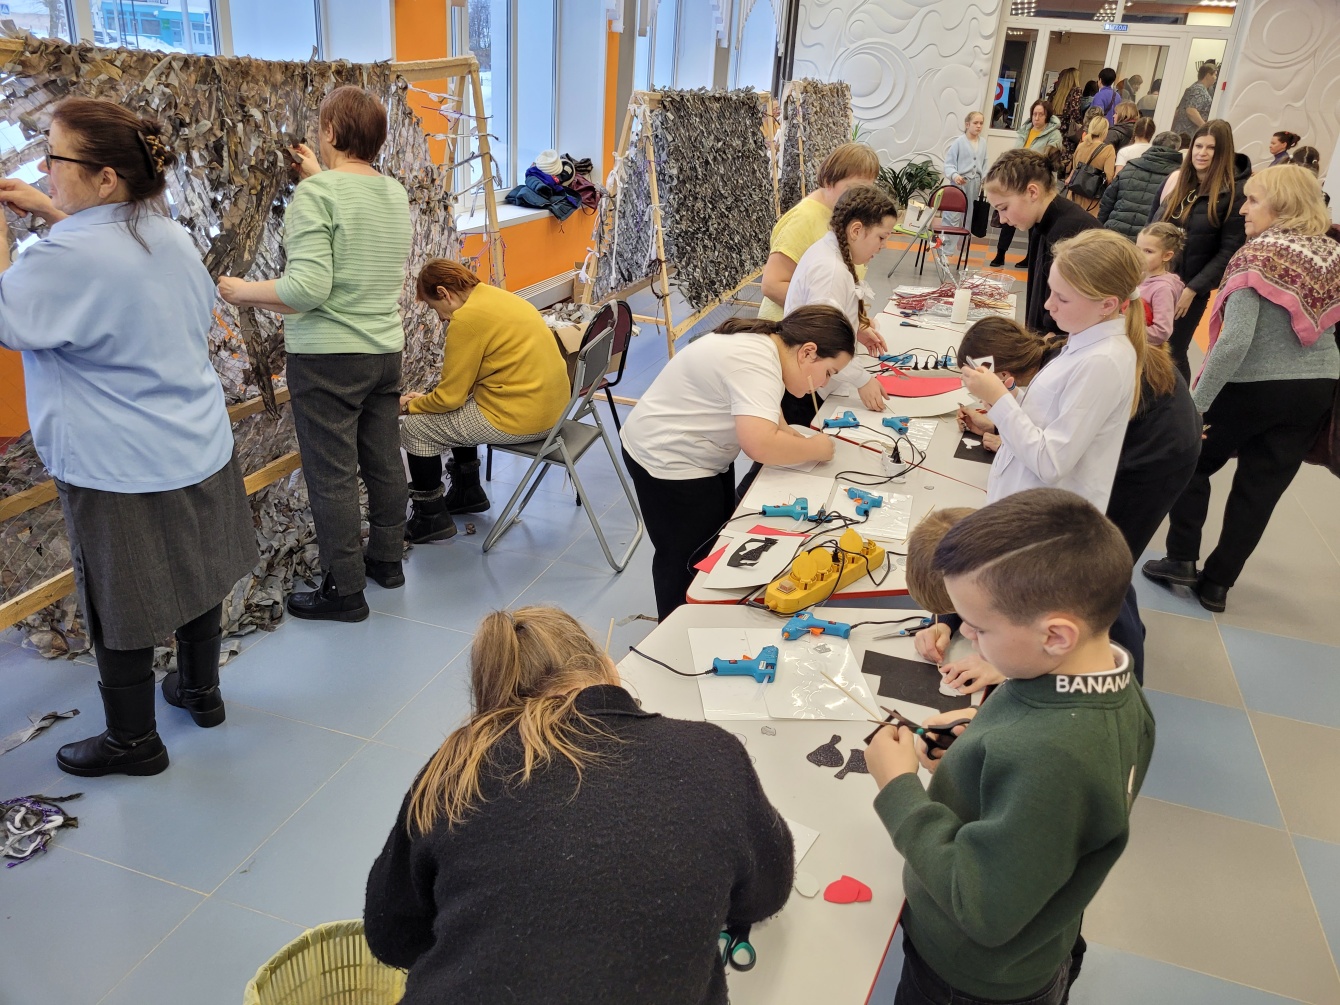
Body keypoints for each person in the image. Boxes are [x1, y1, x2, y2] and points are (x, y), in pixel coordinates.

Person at [0, 98, 257, 777]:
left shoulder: (64, 256)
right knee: (199, 570)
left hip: (116, 462)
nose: (45, 170)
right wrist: (51, 212)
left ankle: (133, 740)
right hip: (196, 442)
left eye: (53, 158)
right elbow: (112, 258)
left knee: (120, 598)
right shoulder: (168, 234)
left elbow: (8, 315)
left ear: (106, 177)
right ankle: (200, 691)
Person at [365, 606, 795, 1004]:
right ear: (607, 668)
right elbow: (765, 894)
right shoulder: (710, 754)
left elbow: (391, 936)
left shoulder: (456, 770)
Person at [865, 488, 1156, 1005]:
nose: (966, 635)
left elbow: (983, 909)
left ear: (1056, 635)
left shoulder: (1057, 758)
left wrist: (899, 788)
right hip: (1032, 937)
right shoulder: (1104, 681)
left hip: (970, 980)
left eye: (978, 628)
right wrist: (979, 737)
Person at [219, 86, 412, 622]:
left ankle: (344, 590)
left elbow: (306, 290)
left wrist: (242, 291)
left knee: (332, 475)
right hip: (383, 350)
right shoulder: (392, 192)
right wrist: (317, 177)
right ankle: (387, 561)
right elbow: (355, 229)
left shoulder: (317, 195)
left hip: (329, 357)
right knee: (382, 458)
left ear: (328, 131)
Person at [1144, 165, 1340, 612]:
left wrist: (1195, 408)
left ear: (1282, 205)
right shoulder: (1331, 253)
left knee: (1189, 459)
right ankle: (1217, 585)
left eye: (1253, 200)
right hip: (1316, 388)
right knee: (1261, 489)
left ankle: (1181, 558)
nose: (1243, 210)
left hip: (1252, 385)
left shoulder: (1258, 255)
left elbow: (1234, 342)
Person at [620, 307, 853, 619]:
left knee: (714, 539)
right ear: (808, 352)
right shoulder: (756, 361)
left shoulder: (768, 347)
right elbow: (760, 444)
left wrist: (795, 439)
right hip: (668, 460)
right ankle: (676, 626)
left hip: (699, 452)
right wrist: (816, 449)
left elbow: (765, 410)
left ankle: (703, 614)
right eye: (829, 372)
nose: (824, 383)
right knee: (685, 558)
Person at [957, 305, 1197, 560]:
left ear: (1002, 374)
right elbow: (1054, 419)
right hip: (1154, 426)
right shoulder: (1053, 354)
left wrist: (1004, 412)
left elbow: (1054, 458)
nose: (1048, 304)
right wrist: (998, 423)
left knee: (1108, 554)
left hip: (1160, 449)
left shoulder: (1080, 368)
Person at [960, 230, 1143, 510]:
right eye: (1050, 291)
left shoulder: (1103, 361)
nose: (1048, 305)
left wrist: (999, 399)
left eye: (1062, 298)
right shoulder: (1083, 340)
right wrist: (1011, 396)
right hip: (1023, 502)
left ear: (1107, 305)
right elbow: (1050, 416)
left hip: (1043, 515)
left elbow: (1051, 463)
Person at [399, 260, 570, 543]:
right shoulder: (499, 298)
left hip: (522, 418)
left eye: (433, 307)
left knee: (416, 428)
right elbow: (461, 391)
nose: (440, 318)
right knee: (458, 409)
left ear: (443, 293)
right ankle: (468, 493)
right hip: (554, 410)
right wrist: (430, 400)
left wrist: (408, 406)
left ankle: (431, 520)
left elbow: (450, 398)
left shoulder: (466, 319)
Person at [783, 184, 896, 416]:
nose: (883, 246)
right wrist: (862, 379)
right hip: (807, 390)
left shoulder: (832, 255)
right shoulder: (831, 271)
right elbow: (822, 342)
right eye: (881, 237)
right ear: (856, 230)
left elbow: (830, 318)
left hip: (814, 380)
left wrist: (855, 330)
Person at [1154, 119, 1250, 380]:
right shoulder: (1182, 182)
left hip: (1189, 290)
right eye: (1198, 146)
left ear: (1224, 153)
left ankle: (1180, 404)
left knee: (1172, 356)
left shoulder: (1234, 194)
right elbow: (1153, 227)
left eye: (1211, 148)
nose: (1202, 153)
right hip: (1158, 281)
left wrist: (1193, 289)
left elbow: (1229, 252)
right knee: (1152, 350)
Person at [758, 142, 880, 321]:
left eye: (866, 191)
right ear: (829, 181)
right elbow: (772, 285)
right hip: (790, 327)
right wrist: (837, 317)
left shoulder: (842, 214)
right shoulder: (804, 218)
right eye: (852, 189)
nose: (859, 197)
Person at [983, 148, 1101, 334]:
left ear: (1032, 192)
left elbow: (1067, 313)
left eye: (1003, 208)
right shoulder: (1041, 223)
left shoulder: (1070, 231)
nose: (1002, 219)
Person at [988, 100, 1064, 269]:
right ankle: (1000, 253)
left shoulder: (1054, 135)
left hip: (1036, 181)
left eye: (1041, 114)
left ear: (1047, 116)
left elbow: (1051, 161)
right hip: (1017, 180)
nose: (1036, 118)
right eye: (1034, 114)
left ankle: (1030, 256)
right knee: (1009, 216)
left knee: (1033, 222)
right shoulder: (1025, 130)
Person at [1099, 130, 1183, 239]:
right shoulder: (1178, 177)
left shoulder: (1130, 167)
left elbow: (1107, 201)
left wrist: (1099, 227)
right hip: (1146, 238)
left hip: (1114, 232)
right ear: (1176, 149)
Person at [942, 110, 988, 254]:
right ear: (967, 124)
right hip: (959, 183)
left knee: (969, 215)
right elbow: (949, 164)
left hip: (975, 184)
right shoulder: (959, 142)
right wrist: (955, 175)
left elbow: (985, 163)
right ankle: (946, 249)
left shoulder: (983, 143)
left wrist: (985, 178)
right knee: (952, 215)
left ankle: (963, 248)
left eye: (981, 123)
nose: (979, 126)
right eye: (975, 123)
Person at [1136, 222, 1187, 347]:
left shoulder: (1163, 289)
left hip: (1142, 348)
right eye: (1137, 249)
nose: (1139, 255)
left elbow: (1161, 332)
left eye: (1148, 251)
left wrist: (1126, 330)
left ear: (1167, 256)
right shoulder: (1137, 276)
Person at [1065, 115, 1116, 216]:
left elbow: (1075, 168)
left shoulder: (1081, 145)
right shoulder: (1108, 150)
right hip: (1091, 201)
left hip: (1073, 196)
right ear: (1105, 131)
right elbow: (1109, 177)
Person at [1172, 63, 1218, 139]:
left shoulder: (1195, 87)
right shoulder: (1198, 90)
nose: (1216, 78)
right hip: (1188, 134)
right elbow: (1191, 111)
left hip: (1183, 133)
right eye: (1215, 75)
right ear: (1207, 75)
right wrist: (1205, 128)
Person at [1051, 67, 1083, 159]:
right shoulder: (1076, 91)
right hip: (1068, 133)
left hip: (1055, 131)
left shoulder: (1057, 93)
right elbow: (1075, 113)